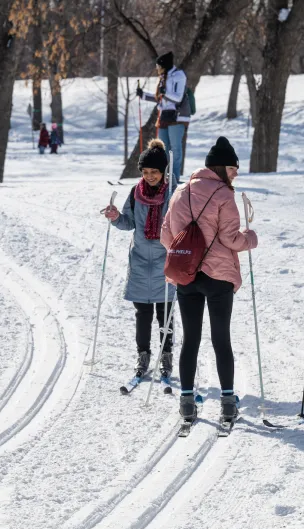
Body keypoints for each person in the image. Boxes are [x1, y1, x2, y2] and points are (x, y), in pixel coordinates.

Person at [161, 137, 257, 423]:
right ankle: (228, 402)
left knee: (190, 339)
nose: (236, 173)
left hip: (187, 276)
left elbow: (166, 235)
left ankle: (187, 402)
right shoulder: (224, 195)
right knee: (221, 339)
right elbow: (231, 238)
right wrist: (250, 238)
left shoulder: (180, 192)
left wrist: (188, 255)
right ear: (221, 167)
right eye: (233, 167)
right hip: (219, 277)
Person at [104, 139, 175, 380]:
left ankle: (167, 355)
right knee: (142, 313)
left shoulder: (174, 192)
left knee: (165, 313)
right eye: (145, 172)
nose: (149, 176)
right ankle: (143, 354)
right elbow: (129, 222)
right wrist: (115, 217)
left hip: (166, 261)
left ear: (164, 170)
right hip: (141, 260)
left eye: (154, 172)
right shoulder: (136, 192)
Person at [137, 52, 191, 186]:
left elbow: (177, 97)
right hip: (164, 115)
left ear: (164, 65)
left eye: (158, 65)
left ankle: (174, 178)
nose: (157, 68)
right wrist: (143, 95)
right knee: (161, 149)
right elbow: (159, 97)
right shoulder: (162, 77)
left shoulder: (178, 75)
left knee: (175, 148)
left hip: (177, 116)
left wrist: (164, 92)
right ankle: (163, 177)